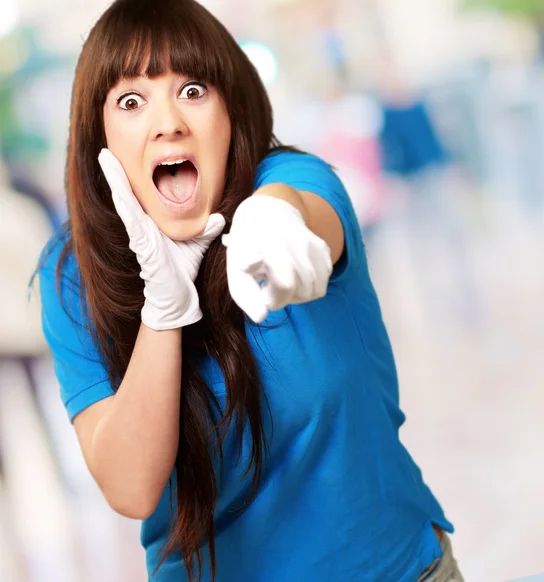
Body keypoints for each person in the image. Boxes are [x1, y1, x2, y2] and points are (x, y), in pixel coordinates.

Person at [36, 1, 463, 581]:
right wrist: (164, 311)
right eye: (131, 101)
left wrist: (271, 221)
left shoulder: (294, 183)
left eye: (192, 90)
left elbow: (301, 210)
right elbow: (131, 487)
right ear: (99, 136)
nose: (168, 123)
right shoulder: (74, 273)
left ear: (232, 109)